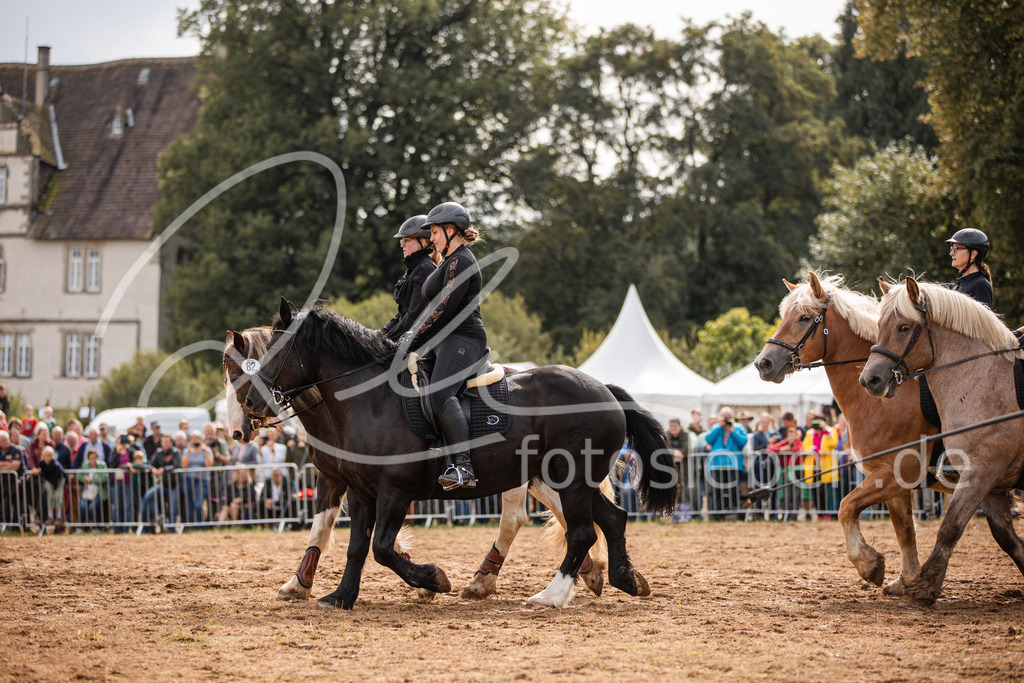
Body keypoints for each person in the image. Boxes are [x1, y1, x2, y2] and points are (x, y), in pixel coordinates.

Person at [399, 201, 487, 490]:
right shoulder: (447, 261)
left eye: (435, 232)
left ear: (451, 231)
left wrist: (412, 336)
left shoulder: (461, 261)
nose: (432, 238)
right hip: (442, 340)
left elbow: (444, 309)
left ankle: (464, 467)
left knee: (439, 394)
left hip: (463, 338)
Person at [380, 214, 438, 342]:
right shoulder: (413, 268)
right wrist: (379, 334)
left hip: (420, 340)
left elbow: (414, 316)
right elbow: (402, 314)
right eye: (402, 241)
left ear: (422, 242)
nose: (402, 245)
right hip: (407, 335)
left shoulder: (425, 269)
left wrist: (387, 340)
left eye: (406, 241)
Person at [704, 407, 748, 519]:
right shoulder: (716, 427)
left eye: (729, 417)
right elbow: (708, 439)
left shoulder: (738, 428)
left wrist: (732, 430)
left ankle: (734, 514)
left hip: (734, 465)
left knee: (734, 489)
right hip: (717, 465)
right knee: (716, 490)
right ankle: (716, 515)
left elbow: (742, 442)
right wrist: (719, 427)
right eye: (724, 417)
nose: (727, 419)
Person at [140, 433, 181, 532]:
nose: (165, 443)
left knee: (173, 507)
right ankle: (159, 517)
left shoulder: (175, 452)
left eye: (167, 441)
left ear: (171, 443)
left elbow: (176, 465)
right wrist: (153, 469)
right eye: (163, 441)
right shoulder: (158, 452)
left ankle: (171, 529)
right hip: (162, 484)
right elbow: (150, 463)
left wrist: (163, 469)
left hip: (173, 485)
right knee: (148, 497)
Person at [801, 415, 838, 521]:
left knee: (825, 492)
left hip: (825, 467)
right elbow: (805, 446)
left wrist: (825, 430)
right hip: (813, 467)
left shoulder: (830, 431)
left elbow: (833, 443)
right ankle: (819, 514)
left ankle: (826, 513)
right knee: (815, 492)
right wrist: (814, 450)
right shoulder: (809, 433)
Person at [946, 228, 993, 307]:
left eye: (956, 249)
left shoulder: (981, 285)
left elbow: (981, 319)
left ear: (973, 254)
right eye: (952, 248)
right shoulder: (957, 287)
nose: (951, 253)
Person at [181, 431, 214, 525]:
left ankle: (200, 524)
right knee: (189, 503)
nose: (195, 440)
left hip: (202, 480)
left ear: (201, 439)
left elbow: (209, 465)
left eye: (197, 438)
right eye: (193, 438)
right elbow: (184, 466)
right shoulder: (186, 450)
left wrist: (204, 451)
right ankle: (192, 525)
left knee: (198, 503)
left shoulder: (207, 450)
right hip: (188, 479)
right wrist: (188, 451)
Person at [0, 430, 27, 527]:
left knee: (17, 502)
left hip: (16, 481)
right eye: (3, 440)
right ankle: (4, 523)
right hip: (2, 482)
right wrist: (8, 465)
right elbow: (12, 465)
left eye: (7, 439)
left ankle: (17, 524)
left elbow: (16, 466)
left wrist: (3, 466)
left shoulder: (16, 449)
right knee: (4, 503)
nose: (6, 441)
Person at [77, 449, 110, 526]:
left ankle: (96, 527)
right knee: (82, 507)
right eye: (91, 458)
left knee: (92, 507)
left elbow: (105, 478)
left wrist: (93, 480)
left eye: (95, 458)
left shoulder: (102, 465)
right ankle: (83, 527)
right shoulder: (85, 465)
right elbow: (78, 477)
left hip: (99, 492)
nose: (93, 460)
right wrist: (85, 479)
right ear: (88, 459)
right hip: (87, 492)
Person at [37, 446, 66, 533]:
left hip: (59, 480)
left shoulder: (55, 465)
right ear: (43, 456)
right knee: (50, 497)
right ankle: (50, 517)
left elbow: (56, 477)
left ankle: (58, 517)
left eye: (50, 455)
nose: (49, 457)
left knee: (57, 496)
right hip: (50, 480)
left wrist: (55, 487)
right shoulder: (42, 463)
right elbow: (45, 475)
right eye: (46, 455)